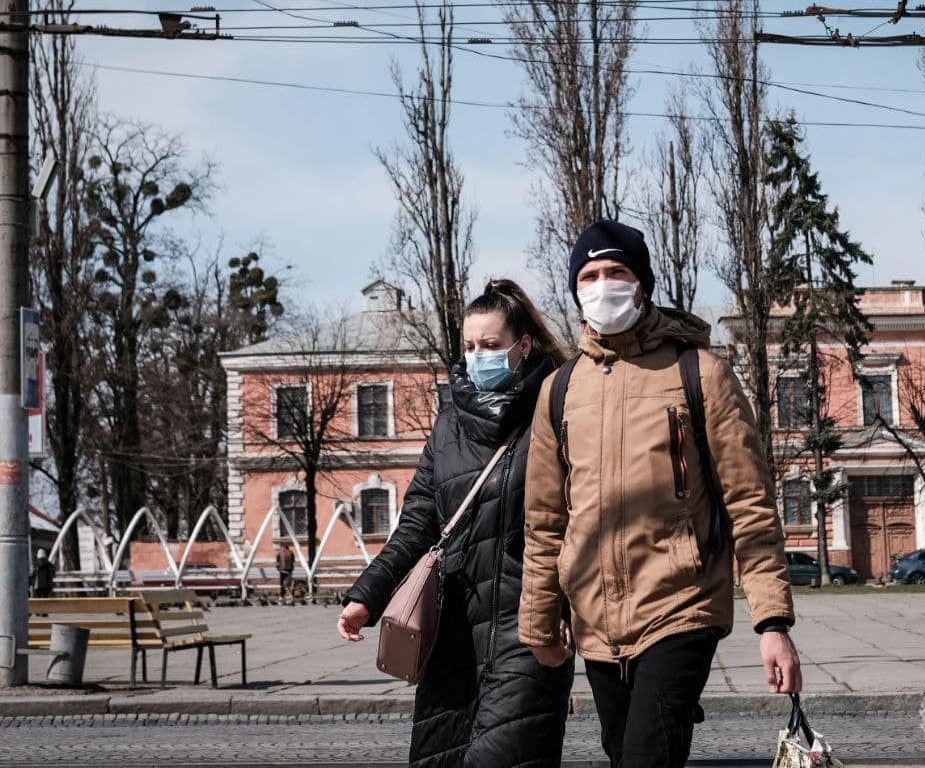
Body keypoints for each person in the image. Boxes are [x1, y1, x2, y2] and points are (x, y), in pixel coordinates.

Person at [519, 220, 803, 767]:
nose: (604, 285)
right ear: (577, 289)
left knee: (648, 755)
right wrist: (538, 623)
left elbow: (750, 504)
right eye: (591, 275)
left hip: (681, 606)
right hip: (596, 622)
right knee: (624, 754)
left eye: (616, 272)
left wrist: (772, 625)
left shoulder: (701, 373)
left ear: (642, 282)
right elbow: (545, 519)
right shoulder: (560, 389)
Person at [337, 279, 574, 768]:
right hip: (451, 636)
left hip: (528, 628)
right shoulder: (448, 425)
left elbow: (580, 519)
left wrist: (568, 609)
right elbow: (418, 524)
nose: (477, 355)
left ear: (523, 346)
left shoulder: (556, 413)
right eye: (469, 346)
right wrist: (367, 596)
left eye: (490, 345)